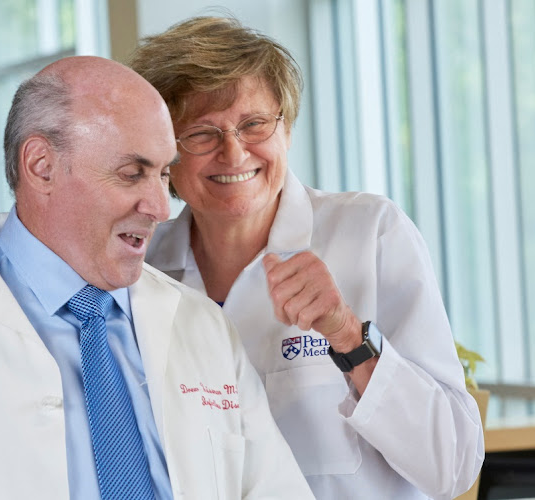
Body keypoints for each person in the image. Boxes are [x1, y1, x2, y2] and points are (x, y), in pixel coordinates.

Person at [0, 56, 314, 499]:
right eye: (132, 173)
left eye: (164, 174)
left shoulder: (202, 325)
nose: (161, 207)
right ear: (41, 165)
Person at [128, 16, 484, 500]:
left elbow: (453, 465)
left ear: (287, 129)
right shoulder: (137, 270)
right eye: (202, 133)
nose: (234, 153)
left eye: (254, 124)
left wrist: (347, 335)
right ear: (165, 154)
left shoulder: (369, 232)